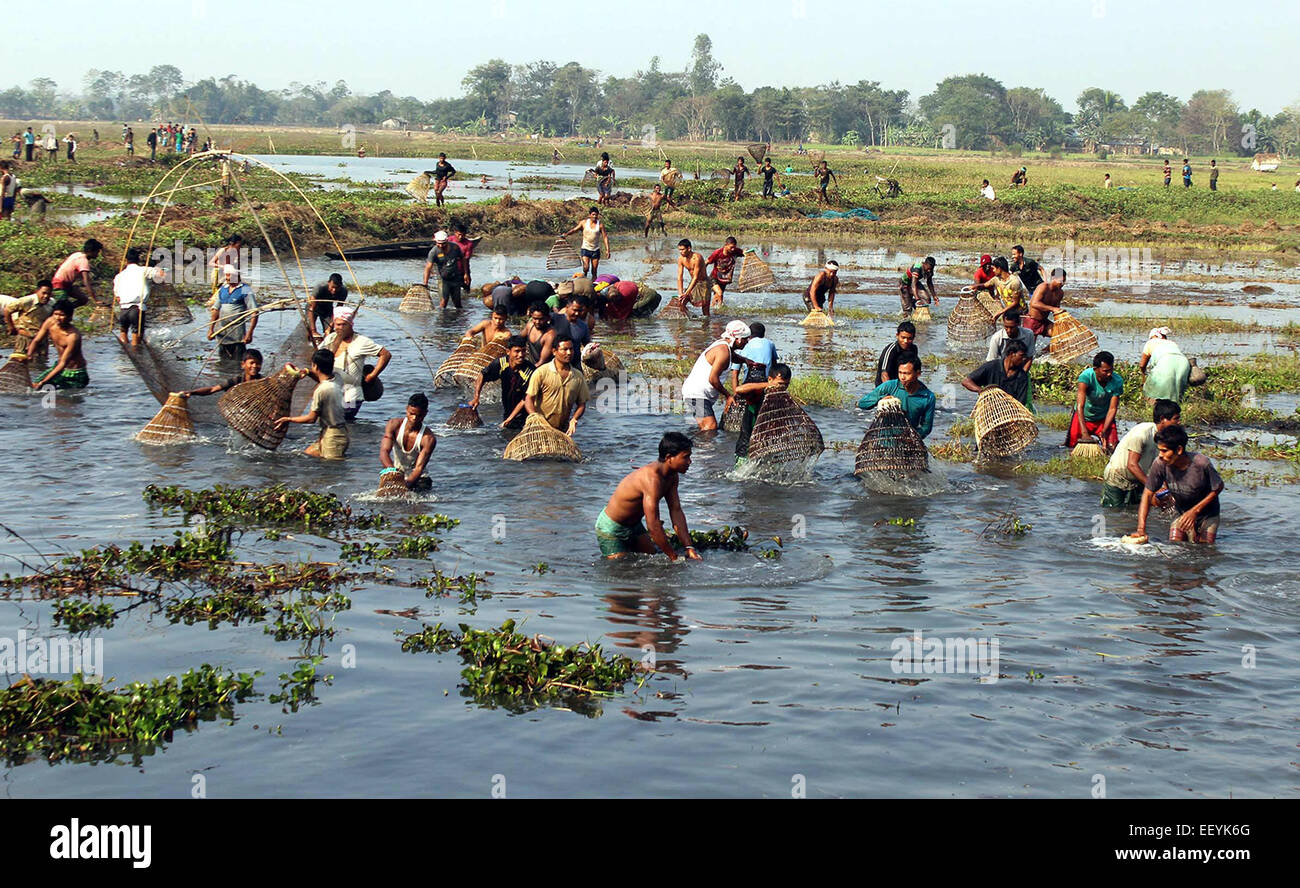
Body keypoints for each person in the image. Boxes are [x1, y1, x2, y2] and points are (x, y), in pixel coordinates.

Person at [595, 431, 699, 560]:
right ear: (669, 458)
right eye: (685, 457)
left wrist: (689, 547)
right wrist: (673, 557)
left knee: (651, 557)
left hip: (634, 525)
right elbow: (653, 524)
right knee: (620, 568)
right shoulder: (652, 479)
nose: (690, 461)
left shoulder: (672, 476)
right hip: (612, 528)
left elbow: (676, 510)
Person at [1135, 425, 1223, 543]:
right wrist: (1141, 529)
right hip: (1181, 513)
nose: (1160, 454)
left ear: (1179, 450)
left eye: (1164, 451)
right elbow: (1147, 494)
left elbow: (1218, 487)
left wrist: (1194, 512)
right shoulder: (1160, 464)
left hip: (1208, 514)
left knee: (1205, 550)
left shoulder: (1201, 464)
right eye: (1159, 450)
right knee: (1176, 546)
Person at [1100, 399, 1181, 507]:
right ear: (1163, 419)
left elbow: (1165, 466)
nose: (1179, 422)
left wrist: (1167, 489)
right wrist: (1153, 487)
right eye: (1176, 419)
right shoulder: (1142, 433)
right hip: (1118, 477)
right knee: (1114, 513)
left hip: (1137, 480)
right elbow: (1132, 464)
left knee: (1136, 511)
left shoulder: (1166, 438)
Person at [319, 305, 390, 422]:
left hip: (351, 395)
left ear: (351, 325)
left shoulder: (361, 341)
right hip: (332, 393)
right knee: (331, 423)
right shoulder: (330, 339)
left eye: (344, 324)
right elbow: (319, 358)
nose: (340, 328)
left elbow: (385, 354)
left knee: (342, 420)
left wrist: (372, 376)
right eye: (338, 325)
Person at [274, 350, 349, 459]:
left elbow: (311, 419)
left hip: (333, 437)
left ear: (315, 366)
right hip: (337, 433)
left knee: (331, 471)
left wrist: (288, 419)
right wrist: (308, 372)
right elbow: (322, 379)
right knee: (308, 453)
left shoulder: (321, 390)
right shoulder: (337, 378)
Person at [682, 320, 749, 431]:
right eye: (746, 339)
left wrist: (746, 361)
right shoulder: (723, 351)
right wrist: (728, 396)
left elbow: (732, 356)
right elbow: (713, 379)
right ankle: (694, 446)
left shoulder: (725, 346)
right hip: (696, 394)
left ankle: (696, 445)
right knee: (710, 427)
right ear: (739, 339)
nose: (747, 342)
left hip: (700, 394)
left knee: (705, 427)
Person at [858, 355, 936, 439]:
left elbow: (926, 428)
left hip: (908, 440)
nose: (902, 377)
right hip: (884, 439)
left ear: (918, 374)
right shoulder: (889, 386)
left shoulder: (928, 397)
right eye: (900, 373)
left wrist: (912, 437)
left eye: (907, 373)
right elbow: (862, 403)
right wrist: (880, 400)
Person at [525, 338, 588, 435]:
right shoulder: (541, 372)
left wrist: (574, 419)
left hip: (563, 430)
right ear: (554, 351)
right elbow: (529, 398)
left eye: (571, 349)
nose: (569, 353)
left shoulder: (578, 376)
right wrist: (534, 417)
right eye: (565, 349)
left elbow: (582, 404)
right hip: (541, 428)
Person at [472, 334, 535, 430]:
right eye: (517, 351)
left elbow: (525, 399)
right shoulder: (500, 363)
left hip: (524, 413)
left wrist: (509, 420)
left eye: (523, 351)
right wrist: (476, 397)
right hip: (508, 410)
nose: (521, 355)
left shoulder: (530, 371)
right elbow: (482, 375)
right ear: (508, 352)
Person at [733, 363, 793, 463]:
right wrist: (769, 385)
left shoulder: (782, 399)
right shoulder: (758, 394)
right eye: (780, 384)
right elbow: (739, 389)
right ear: (770, 379)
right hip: (746, 448)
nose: (783, 388)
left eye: (786, 385)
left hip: (767, 449)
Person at [24, 300, 87, 390]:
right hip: (58, 366)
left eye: (62, 315)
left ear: (70, 317)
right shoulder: (50, 322)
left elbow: (63, 363)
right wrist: (29, 355)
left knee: (63, 400)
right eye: (55, 314)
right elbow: (36, 340)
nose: (57, 318)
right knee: (32, 387)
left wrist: (43, 382)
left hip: (75, 373)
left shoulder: (73, 336)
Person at [1068, 351, 1123, 450]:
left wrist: (1104, 431)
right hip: (1083, 417)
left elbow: (1112, 409)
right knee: (1072, 446)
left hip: (1103, 419)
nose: (1109, 374)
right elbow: (1080, 406)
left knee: (1112, 447)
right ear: (1095, 369)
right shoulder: (1086, 377)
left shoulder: (1117, 381)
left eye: (1111, 370)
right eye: (1105, 371)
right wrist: (1084, 433)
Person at [380, 393, 436, 490]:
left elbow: (419, 468)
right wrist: (392, 471)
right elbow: (384, 452)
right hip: (396, 472)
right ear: (407, 409)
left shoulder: (428, 438)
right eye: (411, 414)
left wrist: (404, 486)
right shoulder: (394, 425)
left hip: (419, 479)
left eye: (419, 416)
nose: (414, 418)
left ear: (425, 413)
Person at [112, 247, 166, 347]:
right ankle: (136, 355)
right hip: (137, 309)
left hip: (123, 310)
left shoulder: (119, 276)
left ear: (126, 260)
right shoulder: (144, 270)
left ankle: (124, 355)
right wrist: (159, 267)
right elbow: (162, 275)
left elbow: (118, 298)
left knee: (123, 332)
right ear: (138, 260)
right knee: (136, 341)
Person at [208, 264, 258, 361]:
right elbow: (216, 309)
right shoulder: (223, 289)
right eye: (226, 275)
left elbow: (254, 312)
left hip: (237, 333)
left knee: (238, 361)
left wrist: (250, 333)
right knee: (223, 361)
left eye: (228, 275)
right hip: (222, 332)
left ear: (236, 276)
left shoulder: (245, 289)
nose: (226, 278)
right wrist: (211, 329)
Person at [961, 339, 1031, 406]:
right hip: (990, 408)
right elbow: (966, 381)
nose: (1024, 359)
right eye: (1021, 356)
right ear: (1012, 354)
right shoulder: (992, 366)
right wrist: (981, 390)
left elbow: (1020, 403)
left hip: (1010, 411)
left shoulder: (1022, 376)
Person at [1, 280, 54, 361]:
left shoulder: (52, 303)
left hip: (41, 338)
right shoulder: (27, 301)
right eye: (43, 293)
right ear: (37, 291)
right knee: (20, 360)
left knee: (41, 361)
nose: (46, 296)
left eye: (48, 294)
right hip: (25, 337)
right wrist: (11, 327)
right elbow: (7, 310)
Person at [179, 349, 263, 398]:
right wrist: (192, 392)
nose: (255, 366)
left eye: (258, 363)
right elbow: (212, 389)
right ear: (243, 364)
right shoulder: (236, 381)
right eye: (251, 363)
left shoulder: (264, 383)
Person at [1138, 327, 1192, 403]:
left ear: (1153, 337)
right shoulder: (1172, 343)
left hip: (1165, 361)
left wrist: (1144, 376)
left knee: (1150, 389)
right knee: (1177, 389)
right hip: (1184, 363)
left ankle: (1154, 407)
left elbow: (1142, 365)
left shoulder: (1151, 342)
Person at [51, 239, 103, 309]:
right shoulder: (83, 261)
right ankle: (63, 310)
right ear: (91, 251)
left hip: (67, 285)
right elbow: (86, 282)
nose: (97, 254)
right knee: (61, 307)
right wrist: (95, 299)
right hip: (59, 284)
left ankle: (68, 309)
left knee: (83, 299)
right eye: (97, 252)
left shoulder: (77, 254)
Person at [422, 230, 466, 309]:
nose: (441, 246)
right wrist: (425, 283)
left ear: (447, 241)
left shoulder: (455, 247)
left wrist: (466, 274)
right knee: (443, 302)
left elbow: (463, 259)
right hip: (443, 279)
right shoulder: (434, 252)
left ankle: (458, 319)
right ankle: (442, 319)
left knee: (458, 303)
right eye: (439, 243)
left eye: (443, 244)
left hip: (455, 278)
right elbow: (428, 267)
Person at [563, 207, 610, 278]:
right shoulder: (584, 223)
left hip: (595, 250)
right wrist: (566, 234)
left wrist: (607, 250)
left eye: (596, 215)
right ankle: (584, 279)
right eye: (593, 214)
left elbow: (605, 237)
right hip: (585, 248)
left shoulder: (600, 225)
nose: (595, 216)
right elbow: (574, 230)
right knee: (586, 268)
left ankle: (593, 287)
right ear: (590, 215)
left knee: (594, 271)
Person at [548, 295, 592, 370]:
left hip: (574, 365)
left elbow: (587, 344)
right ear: (567, 307)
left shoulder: (583, 326)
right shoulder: (554, 319)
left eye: (580, 311)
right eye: (574, 310)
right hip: (554, 364)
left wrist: (592, 348)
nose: (577, 313)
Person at [1024, 268, 1066, 340]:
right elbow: (1033, 303)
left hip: (1044, 322)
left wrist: (1062, 314)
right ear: (1054, 278)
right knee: (1029, 348)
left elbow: (1056, 310)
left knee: (1061, 334)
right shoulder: (1043, 287)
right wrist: (1052, 308)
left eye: (1064, 281)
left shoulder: (1060, 293)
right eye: (1061, 281)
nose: (1062, 283)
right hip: (1032, 320)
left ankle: (1044, 351)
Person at [673, 238, 710, 316]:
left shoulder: (697, 258)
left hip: (703, 283)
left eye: (682, 250)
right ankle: (689, 318)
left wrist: (686, 293)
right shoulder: (681, 259)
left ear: (689, 248)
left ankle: (706, 326)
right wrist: (681, 293)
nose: (681, 252)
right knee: (681, 302)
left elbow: (696, 277)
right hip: (693, 283)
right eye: (679, 250)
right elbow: (680, 277)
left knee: (705, 310)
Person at [875, 321, 918, 386]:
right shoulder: (891, 350)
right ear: (897, 336)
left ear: (914, 337)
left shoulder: (913, 349)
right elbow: (884, 374)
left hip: (902, 385)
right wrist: (891, 392)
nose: (905, 341)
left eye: (909, 338)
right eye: (903, 337)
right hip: (885, 386)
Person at [705, 237, 742, 310]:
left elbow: (745, 252)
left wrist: (748, 252)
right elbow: (706, 262)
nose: (733, 249)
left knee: (718, 297)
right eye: (731, 247)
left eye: (734, 247)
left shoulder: (735, 251)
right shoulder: (717, 253)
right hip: (714, 278)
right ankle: (718, 312)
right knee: (720, 293)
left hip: (724, 280)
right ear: (726, 245)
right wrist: (702, 276)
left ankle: (715, 312)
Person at [307, 273, 348, 337]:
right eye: (332, 287)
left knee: (330, 332)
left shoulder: (343, 291)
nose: (334, 290)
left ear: (340, 285)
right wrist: (313, 330)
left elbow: (338, 311)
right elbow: (311, 309)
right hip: (314, 307)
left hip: (327, 308)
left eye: (337, 288)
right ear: (328, 283)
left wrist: (329, 328)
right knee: (308, 330)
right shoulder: (320, 287)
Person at [447, 221, 480, 291]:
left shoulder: (468, 244)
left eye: (463, 235)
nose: (461, 237)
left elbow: (465, 259)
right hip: (451, 270)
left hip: (462, 270)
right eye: (459, 234)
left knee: (466, 288)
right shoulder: (449, 240)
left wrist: (466, 274)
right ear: (455, 233)